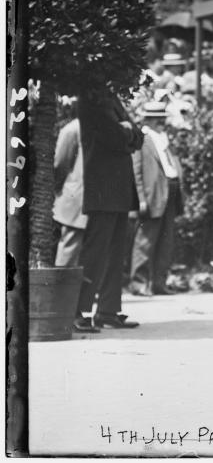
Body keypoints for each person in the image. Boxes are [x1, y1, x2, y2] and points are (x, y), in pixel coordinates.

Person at [75, 88, 144, 331]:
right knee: (95, 254)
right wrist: (127, 130)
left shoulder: (109, 97)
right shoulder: (92, 97)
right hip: (104, 188)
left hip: (117, 189)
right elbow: (115, 136)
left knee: (115, 253)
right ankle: (79, 312)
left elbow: (138, 136)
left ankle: (107, 311)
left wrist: (128, 130)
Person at [129, 100, 183, 297]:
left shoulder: (163, 138)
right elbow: (136, 171)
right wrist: (141, 199)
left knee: (166, 241)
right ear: (149, 120)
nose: (162, 122)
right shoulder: (142, 139)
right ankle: (138, 283)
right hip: (153, 195)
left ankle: (159, 283)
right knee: (145, 241)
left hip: (170, 191)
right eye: (157, 119)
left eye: (163, 118)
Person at [52, 98, 86, 270]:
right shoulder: (73, 129)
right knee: (70, 245)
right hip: (76, 196)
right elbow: (61, 163)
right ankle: (61, 291)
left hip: (88, 198)